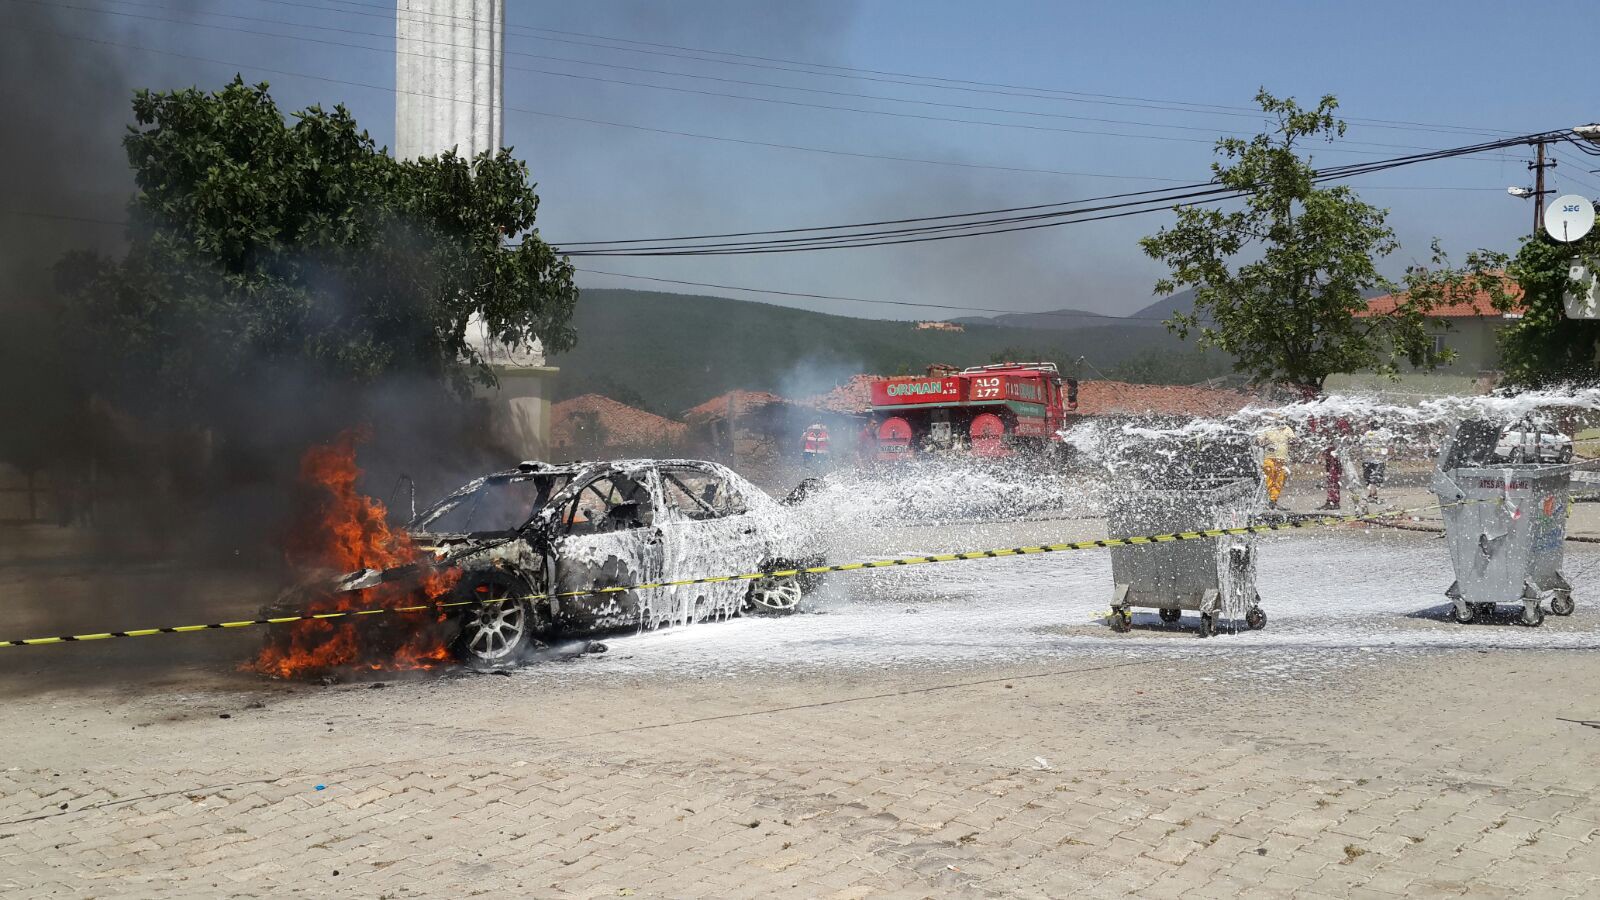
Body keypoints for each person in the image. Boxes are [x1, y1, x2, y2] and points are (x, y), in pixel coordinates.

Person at [1255, 416, 1294, 509]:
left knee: (1279, 481)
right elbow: (1258, 442)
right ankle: (1267, 501)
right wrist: (1265, 443)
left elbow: (1293, 440)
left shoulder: (1287, 429)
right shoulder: (1267, 429)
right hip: (1269, 458)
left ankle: (1273, 501)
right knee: (1270, 478)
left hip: (1282, 459)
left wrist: (1292, 441)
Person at [1360, 426, 1391, 502]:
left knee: (1372, 477)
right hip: (1375, 459)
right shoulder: (1382, 433)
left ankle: (1371, 494)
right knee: (1374, 477)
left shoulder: (1367, 434)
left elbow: (1362, 444)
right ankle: (1374, 494)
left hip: (1371, 459)